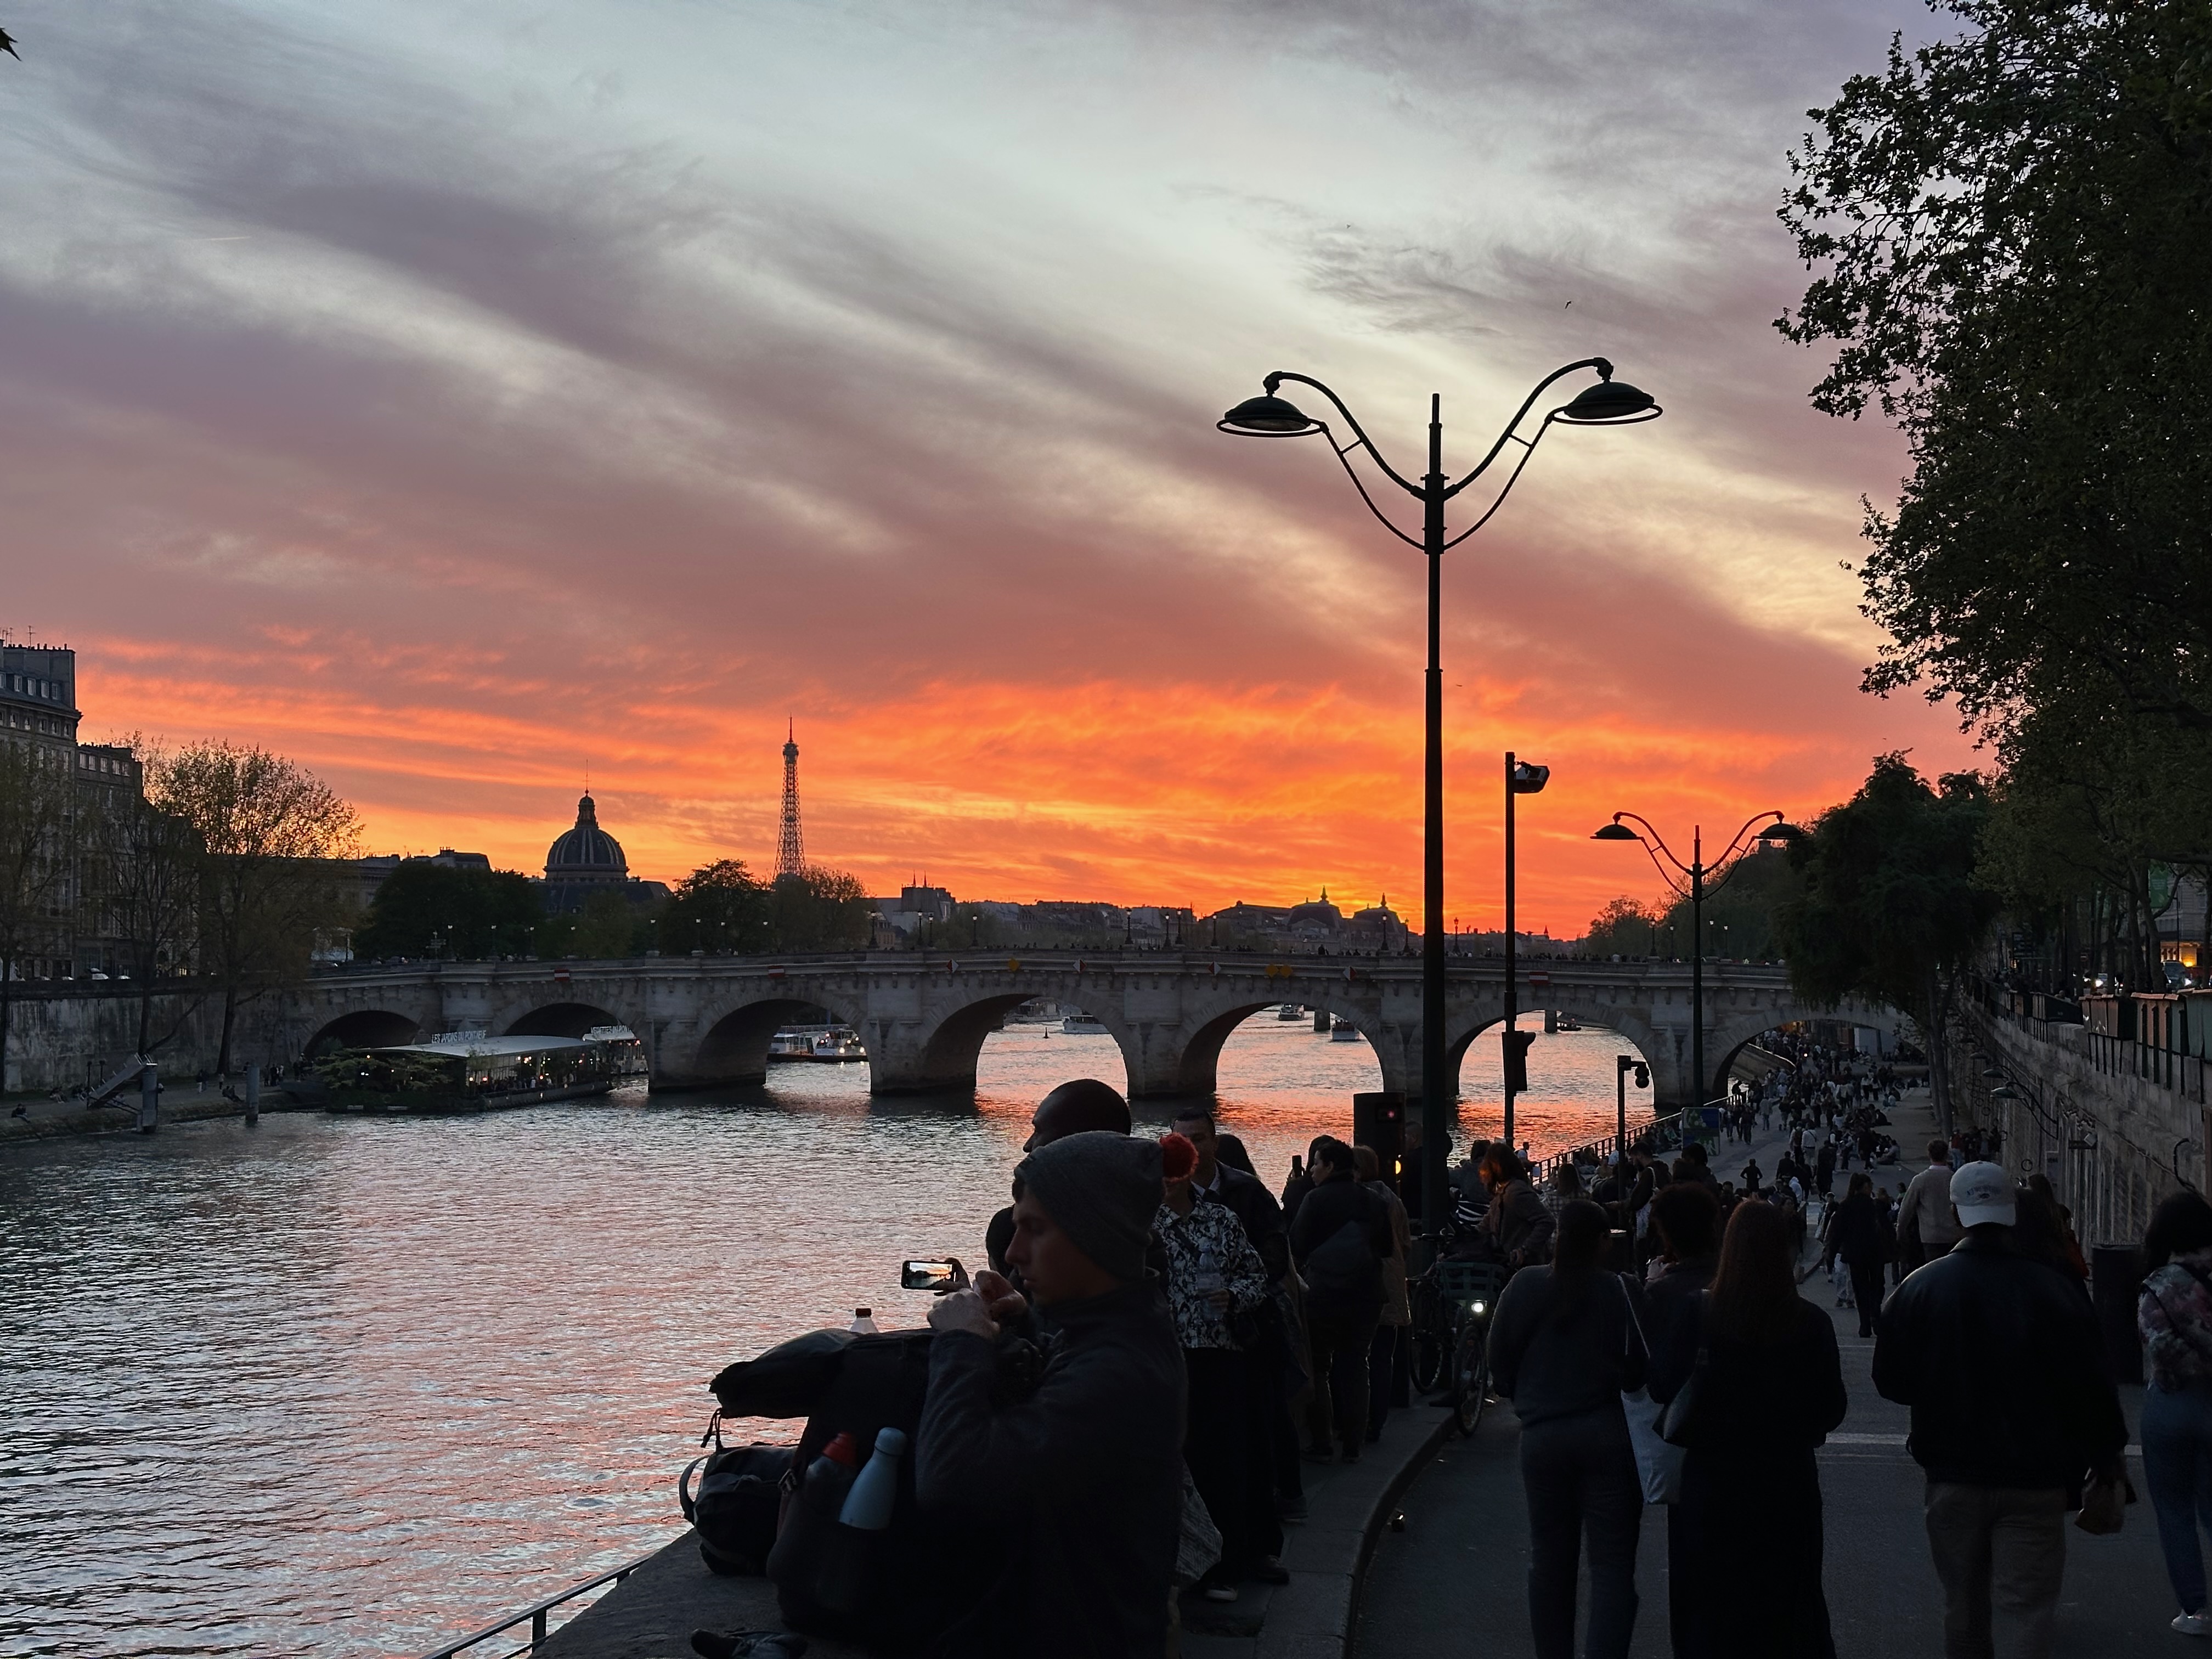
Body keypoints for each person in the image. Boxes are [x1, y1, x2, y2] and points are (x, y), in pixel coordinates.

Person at [919, 1131, 1186, 1658]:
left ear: (1094, 1237)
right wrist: (1027, 1319)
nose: (1014, 1254)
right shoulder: (1131, 1327)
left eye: (1035, 1231)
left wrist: (960, 1344)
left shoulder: (1118, 1373)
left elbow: (949, 1480)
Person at [1872, 1163, 2128, 1659]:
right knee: (2026, 1611)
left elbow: (1892, 1383)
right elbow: (2093, 1386)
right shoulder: (2057, 1291)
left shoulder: (1918, 1290)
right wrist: (2106, 1457)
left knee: (1963, 1605)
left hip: (1953, 1470)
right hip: (2036, 1474)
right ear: (2011, 1213)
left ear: (1955, 1213)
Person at [1649, 1200, 1846, 1658]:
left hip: (1711, 1483)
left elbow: (1662, 1387)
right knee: (1787, 1603)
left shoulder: (1700, 1315)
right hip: (1785, 1481)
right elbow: (1831, 1410)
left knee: (1712, 1606)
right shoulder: (1810, 1323)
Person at [1488, 1199, 1645, 1659]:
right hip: (1606, 1437)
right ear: (1601, 1242)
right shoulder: (1620, 1291)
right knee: (1612, 1568)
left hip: (1542, 1437)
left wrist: (1525, 1399)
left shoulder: (1524, 1286)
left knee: (1549, 1562)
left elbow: (1499, 1361)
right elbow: (1639, 1370)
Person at [1154, 1132, 1272, 1602]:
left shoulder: (1221, 1221)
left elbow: (1256, 1275)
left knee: (1222, 1462)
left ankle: (1225, 1565)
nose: (1164, 1184)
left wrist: (1234, 1297)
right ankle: (1178, 1565)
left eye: (1170, 1175)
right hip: (1168, 1355)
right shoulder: (1144, 1229)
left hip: (1219, 1351)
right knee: (1175, 1463)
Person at [1641, 1181, 1722, 1659]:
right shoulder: (1738, 1285)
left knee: (1691, 1570)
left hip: (1690, 1452)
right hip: (1761, 1459)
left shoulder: (1664, 1293)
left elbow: (1655, 1381)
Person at [1288, 1136, 1393, 1462]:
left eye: (1316, 1164)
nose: (1313, 1171)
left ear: (1330, 1166)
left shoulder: (1315, 1200)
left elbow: (1296, 1245)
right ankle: (1354, 1444)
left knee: (1319, 1367)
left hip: (1323, 1295)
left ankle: (1322, 1441)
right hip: (1366, 1296)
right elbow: (1387, 1249)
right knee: (1356, 1365)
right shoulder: (1374, 1201)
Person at [2138, 1190, 2212, 1637]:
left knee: (2175, 1510)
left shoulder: (2160, 1284)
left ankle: (2197, 1610)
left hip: (2175, 1401)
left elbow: (2159, 1350)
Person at [985, 1079, 1132, 1275]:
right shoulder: (1146, 1225)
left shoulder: (1009, 1229)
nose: (1027, 1145)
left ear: (1071, 1142)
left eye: (1039, 1131)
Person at [1354, 1143, 1414, 1439]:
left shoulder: (1356, 1200)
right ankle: (1377, 1421)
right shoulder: (1393, 1199)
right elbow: (1405, 1243)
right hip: (1392, 1285)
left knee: (1357, 1358)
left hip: (1363, 1286)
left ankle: (1357, 1419)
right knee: (1382, 1358)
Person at [1826, 1173, 1890, 1338]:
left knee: (1860, 1289)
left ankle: (1865, 1325)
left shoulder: (1846, 1206)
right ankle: (1875, 1311)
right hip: (1875, 1253)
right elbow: (1887, 1230)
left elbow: (1837, 1233)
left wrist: (1831, 1255)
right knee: (1877, 1285)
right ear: (1865, 1187)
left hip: (1855, 1254)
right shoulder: (1875, 1206)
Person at [1479, 1145, 1556, 1266]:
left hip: (1521, 1266)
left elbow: (1547, 1221)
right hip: (1509, 1262)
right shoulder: (1504, 1191)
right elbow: (1486, 1224)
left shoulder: (1516, 1193)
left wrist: (1525, 1250)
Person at [1894, 1139, 1959, 1270]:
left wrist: (1900, 1232)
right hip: (1954, 1235)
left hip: (1931, 1236)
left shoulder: (1920, 1180)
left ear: (1929, 1155)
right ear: (1947, 1155)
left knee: (1933, 1273)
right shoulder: (1955, 1179)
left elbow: (1906, 1210)